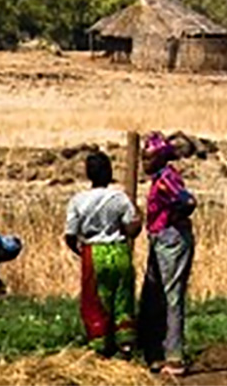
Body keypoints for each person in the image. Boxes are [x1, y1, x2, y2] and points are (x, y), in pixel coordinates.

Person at [65, 151, 140, 357]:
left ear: (88, 174)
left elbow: (70, 234)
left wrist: (81, 252)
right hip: (120, 250)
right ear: (109, 173)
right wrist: (138, 218)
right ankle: (125, 345)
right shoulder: (119, 198)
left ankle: (100, 347)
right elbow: (132, 228)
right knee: (123, 298)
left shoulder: (78, 201)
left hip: (93, 251)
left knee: (95, 301)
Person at [139, 133, 197, 375]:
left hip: (171, 239)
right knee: (154, 294)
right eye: (143, 158)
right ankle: (157, 351)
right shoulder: (160, 178)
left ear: (160, 158)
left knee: (172, 296)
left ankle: (174, 358)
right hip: (161, 237)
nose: (144, 163)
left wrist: (174, 218)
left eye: (149, 158)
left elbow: (188, 201)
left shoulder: (166, 180)